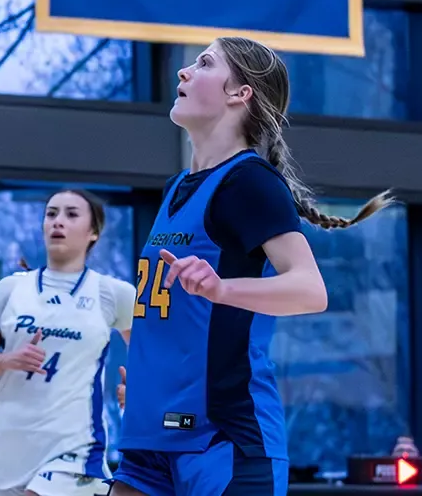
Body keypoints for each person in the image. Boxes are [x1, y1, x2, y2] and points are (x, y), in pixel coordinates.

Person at [113, 36, 394, 496]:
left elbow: (310, 289)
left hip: (222, 438)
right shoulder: (175, 187)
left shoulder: (248, 181)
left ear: (239, 93)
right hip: (149, 435)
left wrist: (222, 289)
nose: (183, 72)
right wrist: (150, 382)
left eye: (204, 64)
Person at [0, 190, 135, 496]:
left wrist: (136, 390)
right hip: (11, 450)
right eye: (51, 213)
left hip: (75, 448)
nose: (58, 222)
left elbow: (151, 357)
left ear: (92, 232)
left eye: (71, 214)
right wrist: (6, 360)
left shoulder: (112, 293)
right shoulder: (11, 288)